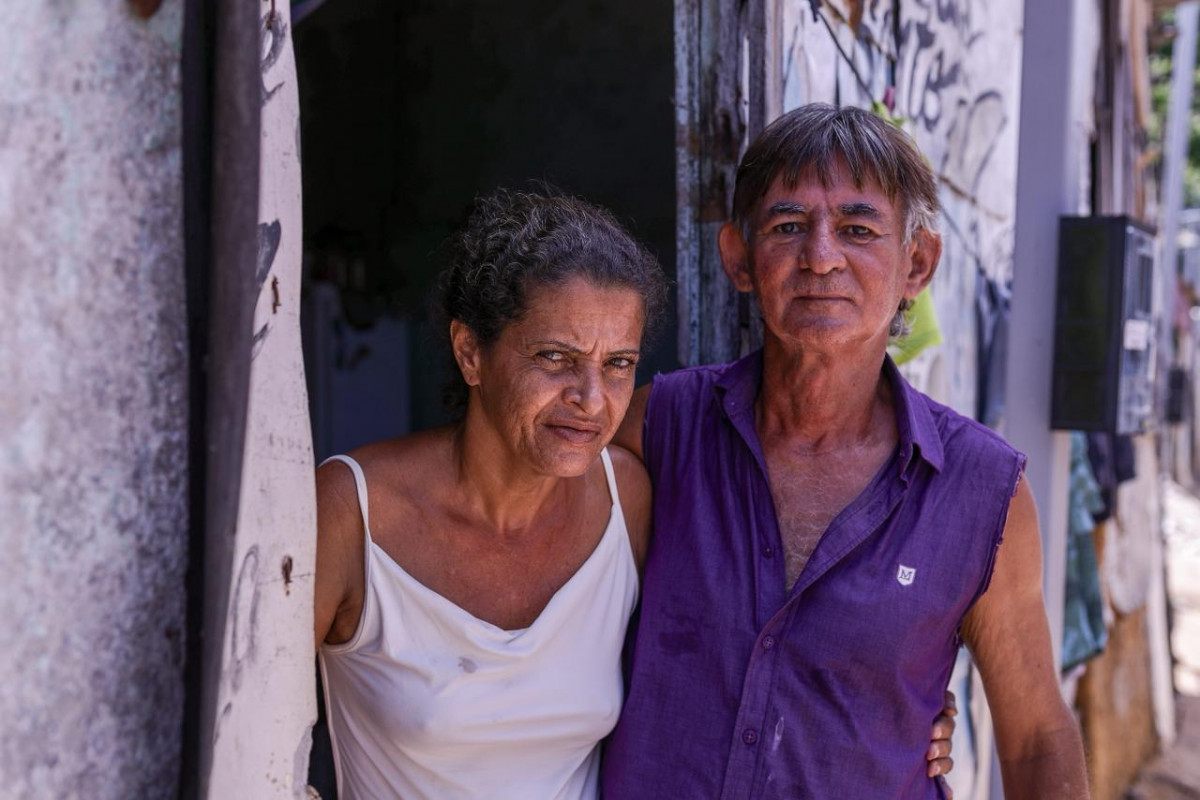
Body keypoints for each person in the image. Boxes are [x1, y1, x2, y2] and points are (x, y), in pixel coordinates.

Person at [312, 188, 956, 799]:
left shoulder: (627, 502)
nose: (591, 400)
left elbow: (734, 652)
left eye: (618, 364)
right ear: (470, 353)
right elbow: (242, 731)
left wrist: (900, 706)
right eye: (555, 358)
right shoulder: (352, 512)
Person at [601, 104, 1090, 799]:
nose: (821, 256)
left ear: (916, 263)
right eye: (787, 226)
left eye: (858, 230)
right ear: (740, 257)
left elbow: (1039, 735)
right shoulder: (656, 428)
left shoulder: (982, 490)